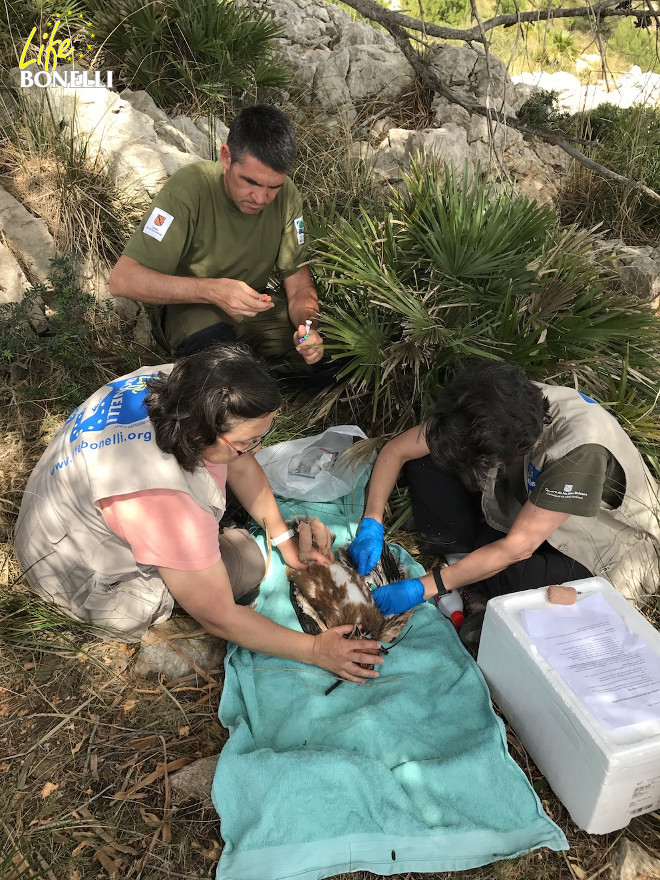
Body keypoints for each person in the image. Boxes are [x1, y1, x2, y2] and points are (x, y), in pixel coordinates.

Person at [14, 345, 382, 683]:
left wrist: (284, 540)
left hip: (50, 520)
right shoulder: (164, 498)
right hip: (74, 575)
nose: (255, 449)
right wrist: (317, 650)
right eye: (246, 442)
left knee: (232, 531)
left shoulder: (187, 383)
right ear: (200, 432)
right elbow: (217, 614)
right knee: (245, 566)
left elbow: (241, 464)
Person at [348, 360, 660, 648]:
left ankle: (474, 572)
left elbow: (517, 548)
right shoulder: (486, 407)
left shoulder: (579, 448)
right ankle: (470, 563)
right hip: (523, 509)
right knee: (429, 461)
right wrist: (371, 523)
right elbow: (397, 451)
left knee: (515, 578)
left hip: (599, 544)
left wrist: (425, 587)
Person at [108, 104, 328, 384]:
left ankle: (261, 378)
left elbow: (298, 284)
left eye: (273, 187)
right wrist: (214, 291)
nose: (260, 199)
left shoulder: (288, 197)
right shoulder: (189, 189)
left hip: (254, 307)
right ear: (226, 157)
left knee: (330, 359)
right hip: (191, 312)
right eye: (250, 182)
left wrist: (308, 328)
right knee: (221, 375)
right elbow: (123, 279)